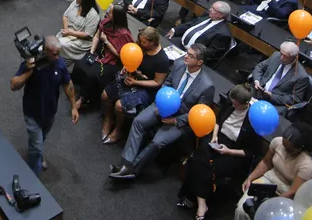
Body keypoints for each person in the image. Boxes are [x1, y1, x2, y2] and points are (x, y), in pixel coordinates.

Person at [109, 43, 215, 180]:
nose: (186, 56)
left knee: (158, 142)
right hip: (161, 106)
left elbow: (197, 114)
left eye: (190, 55)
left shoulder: (207, 86)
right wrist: (161, 104)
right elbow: (167, 84)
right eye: (187, 53)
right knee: (138, 122)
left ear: (199, 62)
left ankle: (133, 169)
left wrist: (175, 120)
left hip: (179, 118)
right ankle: (126, 163)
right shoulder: (178, 65)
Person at [180, 85, 262, 220]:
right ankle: (201, 204)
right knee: (197, 159)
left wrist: (229, 151)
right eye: (232, 102)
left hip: (234, 150)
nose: (233, 106)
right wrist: (214, 136)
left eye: (236, 104)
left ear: (246, 104)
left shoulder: (253, 120)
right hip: (218, 140)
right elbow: (218, 121)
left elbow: (251, 152)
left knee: (208, 167)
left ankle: (195, 202)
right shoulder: (230, 103)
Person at [10, 35, 79, 176]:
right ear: (45, 51)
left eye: (59, 53)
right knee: (36, 147)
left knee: (41, 138)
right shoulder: (31, 64)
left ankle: (37, 153)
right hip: (32, 112)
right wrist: (29, 72)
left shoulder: (60, 64)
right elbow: (13, 84)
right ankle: (32, 177)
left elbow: (68, 84)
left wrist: (73, 106)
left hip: (50, 112)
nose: (57, 57)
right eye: (54, 54)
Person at [101, 27, 170, 145]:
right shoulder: (141, 47)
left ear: (153, 42)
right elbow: (132, 59)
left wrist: (136, 82)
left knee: (119, 106)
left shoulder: (162, 59)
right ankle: (108, 119)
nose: (141, 44)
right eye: (140, 41)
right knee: (105, 95)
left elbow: (157, 82)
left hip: (147, 89)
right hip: (133, 78)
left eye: (144, 42)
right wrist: (127, 67)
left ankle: (118, 130)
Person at [235, 124, 312, 219]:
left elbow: (293, 191)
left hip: (286, 191)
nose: (285, 150)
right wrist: (250, 178)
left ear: (299, 149)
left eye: (289, 150)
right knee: (242, 209)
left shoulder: (306, 164)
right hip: (268, 180)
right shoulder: (277, 142)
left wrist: (270, 203)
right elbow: (266, 163)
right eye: (284, 145)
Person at [72, 4, 133, 111]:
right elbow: (96, 36)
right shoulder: (105, 22)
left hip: (112, 61)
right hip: (99, 52)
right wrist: (91, 51)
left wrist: (106, 41)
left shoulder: (124, 34)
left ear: (116, 16)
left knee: (93, 75)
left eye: (110, 12)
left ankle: (84, 99)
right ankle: (78, 86)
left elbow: (120, 55)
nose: (107, 13)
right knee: (80, 63)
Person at [168, 1, 233, 63]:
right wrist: (175, 30)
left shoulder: (224, 34)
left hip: (194, 56)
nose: (210, 9)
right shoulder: (207, 15)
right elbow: (191, 24)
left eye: (213, 9)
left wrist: (192, 52)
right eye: (211, 7)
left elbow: (212, 53)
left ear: (221, 15)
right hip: (180, 42)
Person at [251, 41, 308, 110]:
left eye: (285, 56)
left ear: (294, 57)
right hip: (258, 91)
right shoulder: (276, 56)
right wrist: (257, 81)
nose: (281, 58)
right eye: (281, 54)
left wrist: (272, 96)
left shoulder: (301, 76)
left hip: (274, 102)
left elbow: (294, 98)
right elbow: (259, 68)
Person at [58, 0, 101, 64]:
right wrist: (66, 29)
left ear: (85, 1)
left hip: (81, 40)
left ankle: (64, 61)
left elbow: (87, 34)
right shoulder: (75, 3)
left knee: (61, 43)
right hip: (69, 32)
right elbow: (65, 16)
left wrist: (70, 32)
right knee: (55, 42)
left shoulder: (93, 15)